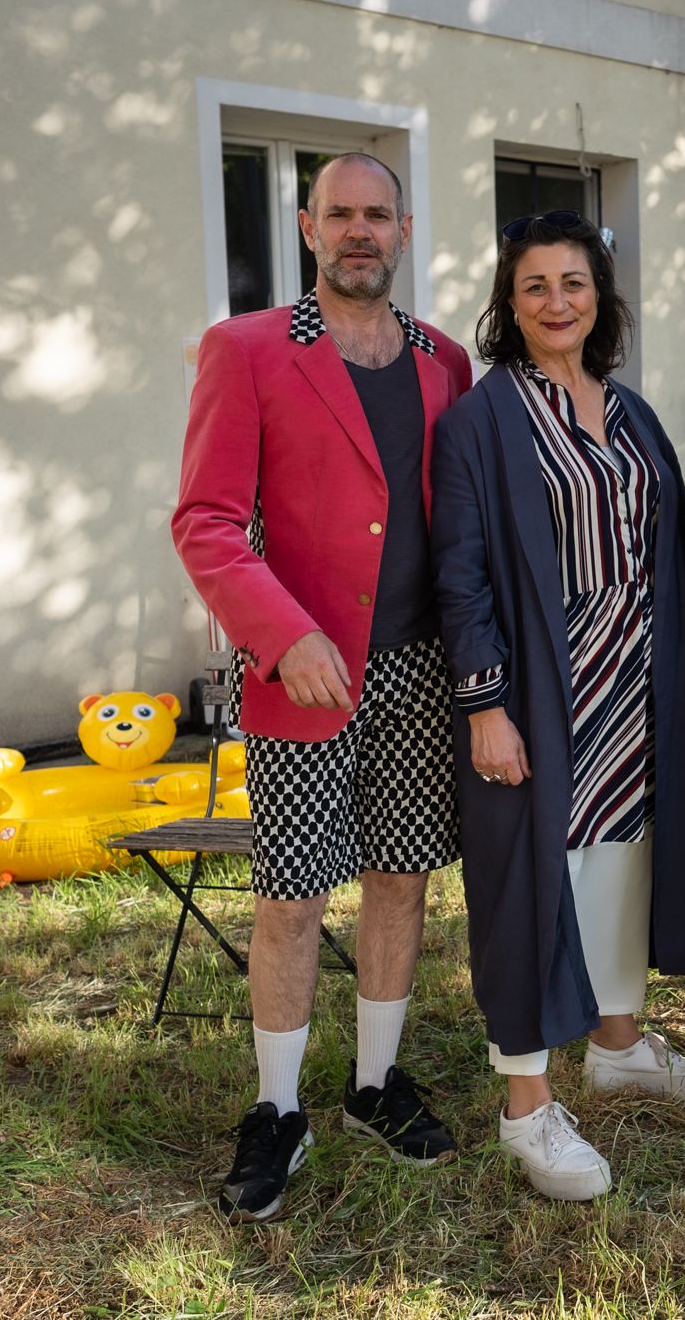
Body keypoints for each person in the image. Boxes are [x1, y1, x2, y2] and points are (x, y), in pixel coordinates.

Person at [172, 153, 474, 1223]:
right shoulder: (248, 349)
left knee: (401, 879)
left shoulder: (444, 360)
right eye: (339, 213)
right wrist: (282, 632)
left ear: (403, 230)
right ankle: (278, 1108)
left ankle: (375, 1084)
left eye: (376, 214)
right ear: (308, 227)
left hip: (420, 669)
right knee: (293, 896)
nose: (358, 231)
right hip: (305, 675)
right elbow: (205, 521)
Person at [429, 210, 685, 1202]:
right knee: (532, 879)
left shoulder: (631, 410)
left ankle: (617, 1044)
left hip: (638, 682)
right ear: (509, 301)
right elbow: (460, 575)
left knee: (621, 859)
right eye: (535, 285)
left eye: (573, 283)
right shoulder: (481, 422)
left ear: (599, 298)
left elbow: (674, 541)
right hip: (542, 683)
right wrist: (485, 704)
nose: (556, 301)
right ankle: (526, 1103)